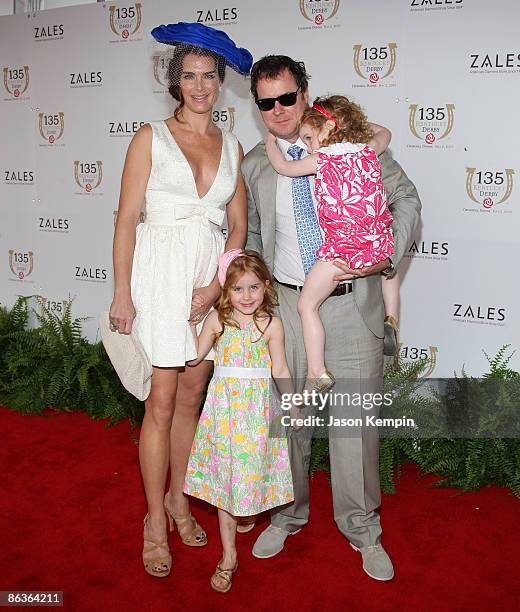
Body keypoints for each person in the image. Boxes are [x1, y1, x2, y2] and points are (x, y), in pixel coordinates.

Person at [243, 55, 421, 581]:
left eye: (287, 97)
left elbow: (405, 199)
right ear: (257, 107)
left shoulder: (352, 142)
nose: (278, 110)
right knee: (290, 425)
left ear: (305, 94)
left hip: (353, 303)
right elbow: (251, 238)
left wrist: (386, 251)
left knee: (354, 428)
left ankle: (362, 527)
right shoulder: (258, 163)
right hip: (292, 312)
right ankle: (288, 513)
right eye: (265, 102)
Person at [108, 22, 251, 577]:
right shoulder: (149, 137)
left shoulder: (233, 146)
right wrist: (123, 291)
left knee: (191, 400)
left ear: (221, 83)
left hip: (206, 282)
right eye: (189, 76)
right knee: (160, 403)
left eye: (209, 76)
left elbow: (236, 229)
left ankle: (177, 499)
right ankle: (152, 519)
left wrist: (218, 285)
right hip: (158, 279)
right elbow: (125, 221)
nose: (199, 86)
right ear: (176, 81)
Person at [264, 95, 394, 390]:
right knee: (308, 305)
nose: (308, 144)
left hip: (341, 250)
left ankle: (316, 370)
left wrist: (271, 143)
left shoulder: (321, 158)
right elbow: (385, 132)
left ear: (329, 126)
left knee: (307, 305)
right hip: (374, 247)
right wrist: (352, 125)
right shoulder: (367, 150)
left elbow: (284, 167)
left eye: (310, 136)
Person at [183, 249, 295, 592]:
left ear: (265, 287)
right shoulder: (218, 321)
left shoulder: (272, 324)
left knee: (249, 475)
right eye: (237, 289)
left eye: (253, 288)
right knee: (227, 483)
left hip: (258, 415)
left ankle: (246, 513)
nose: (246, 297)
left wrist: (293, 403)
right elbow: (195, 356)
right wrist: (188, 325)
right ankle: (229, 556)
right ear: (225, 290)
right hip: (224, 414)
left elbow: (280, 368)